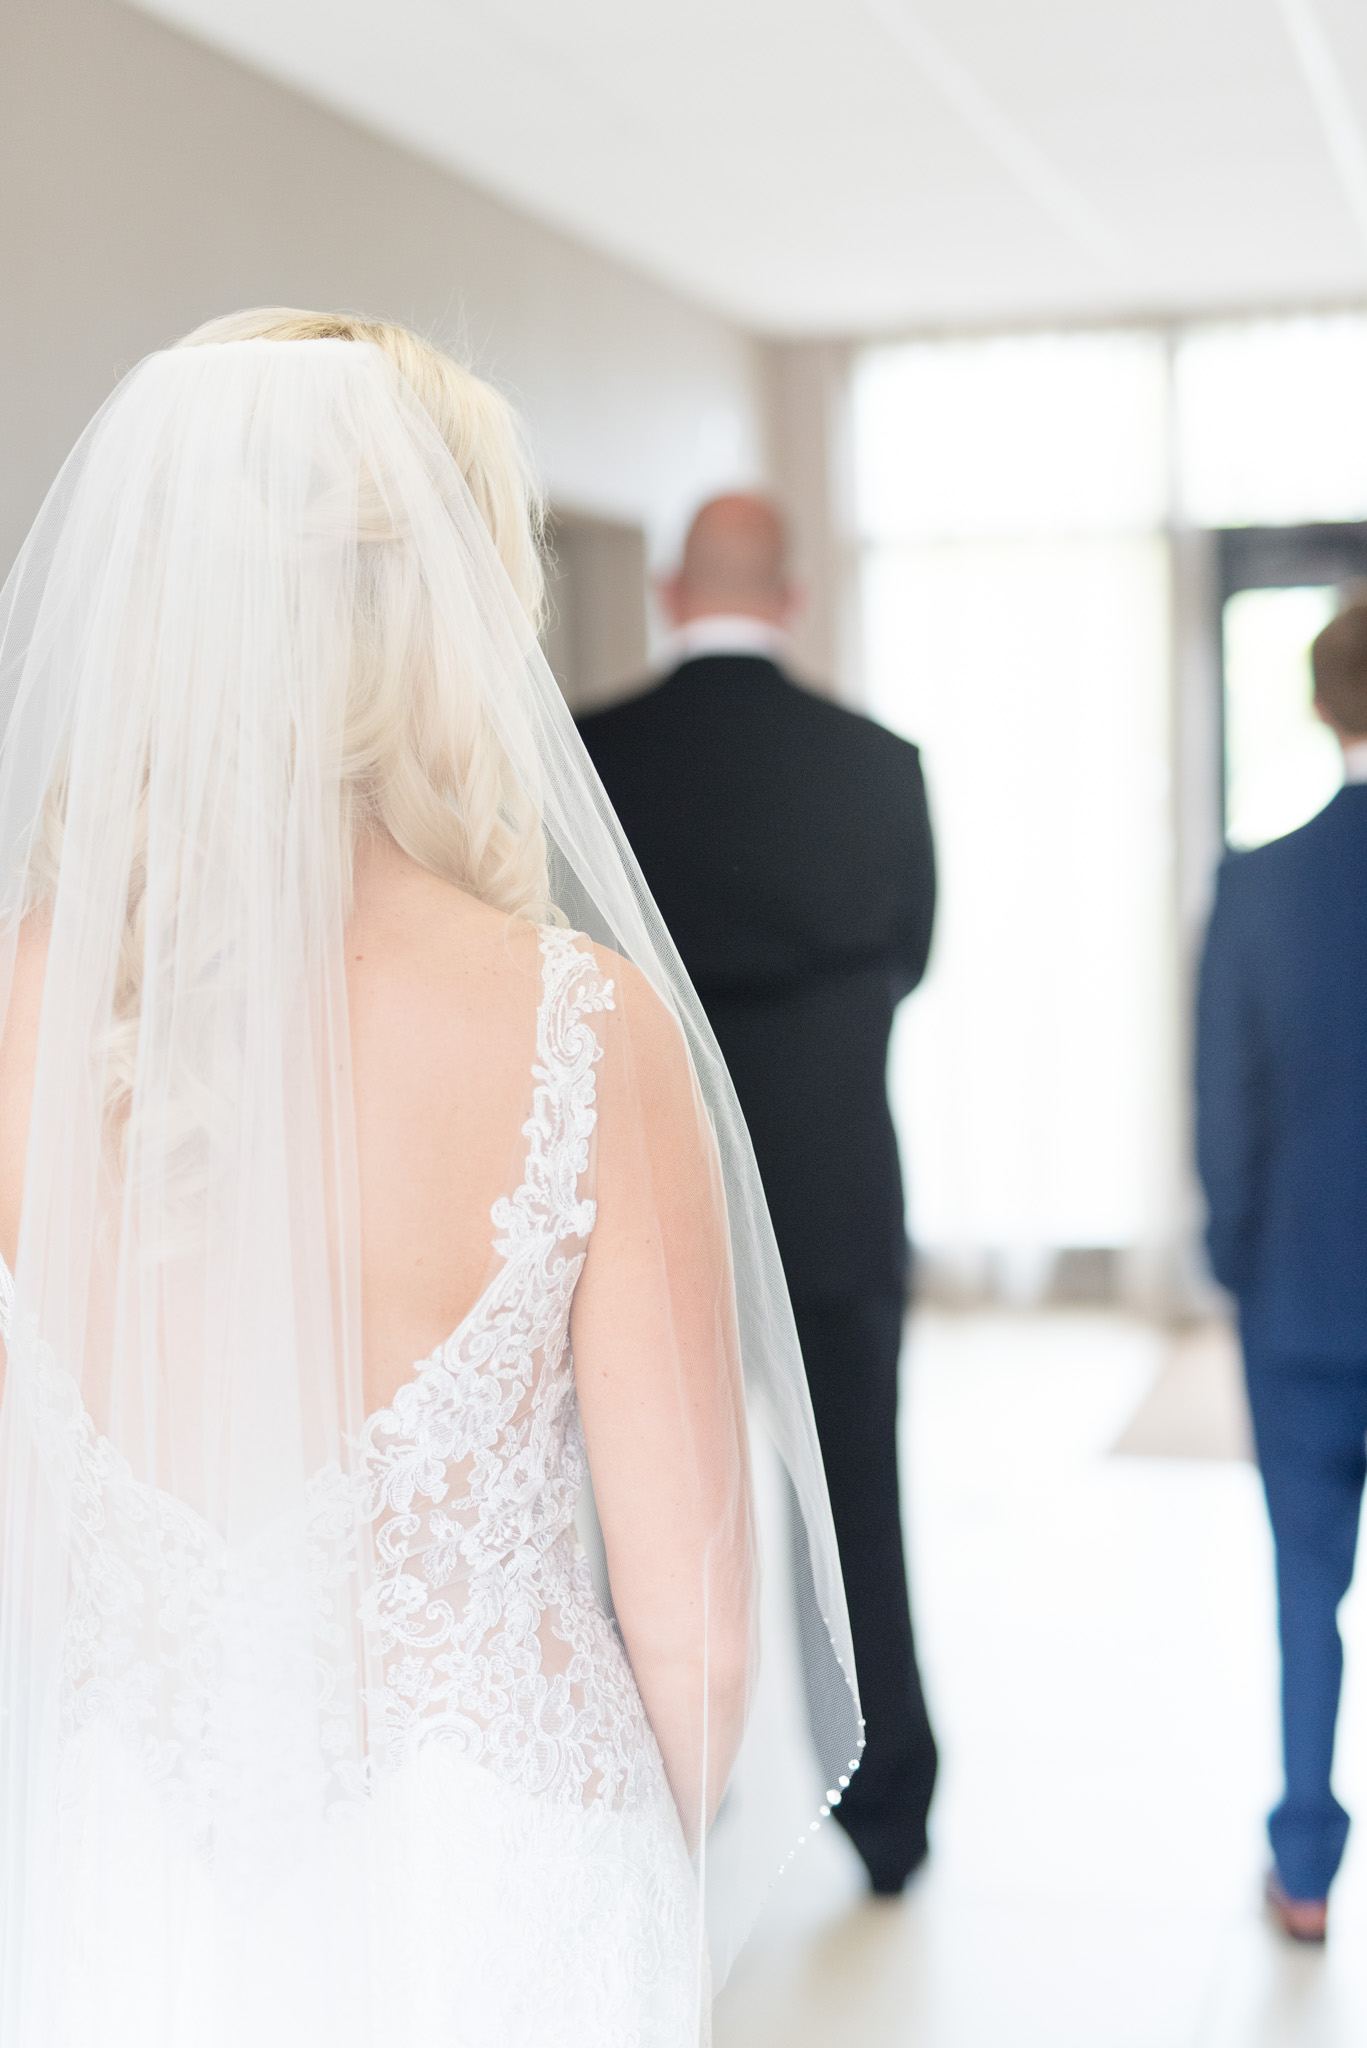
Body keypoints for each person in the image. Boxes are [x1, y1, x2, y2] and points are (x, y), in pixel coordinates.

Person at [0, 314, 862, 2045]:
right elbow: (696, 1634)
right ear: (444, 628)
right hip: (497, 1896)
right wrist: (629, 1872)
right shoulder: (580, 1028)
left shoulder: (18, 1008)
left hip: (116, 1877)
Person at [578, 494, 938, 1894]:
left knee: (652, 1511)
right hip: (838, 1193)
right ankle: (889, 1813)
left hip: (646, 1209)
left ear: (673, 590)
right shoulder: (878, 765)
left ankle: (667, 1803)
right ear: (790, 596)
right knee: (861, 1515)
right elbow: (912, 953)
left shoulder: (596, 755)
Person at [1197, 600, 1367, 1945]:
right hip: (1303, 1285)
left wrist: (1236, 1260)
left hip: (1303, 1293)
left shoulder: (1257, 881)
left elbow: (1225, 1109)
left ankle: (1304, 1867)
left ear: (1322, 706)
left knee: (1304, 1583)